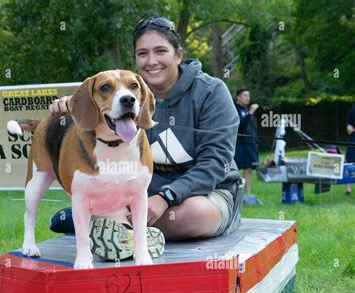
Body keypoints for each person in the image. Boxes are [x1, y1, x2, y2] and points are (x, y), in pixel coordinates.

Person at [49, 16, 243, 261]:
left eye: (160, 51)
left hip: (208, 193)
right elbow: (90, 123)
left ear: (178, 55)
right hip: (136, 196)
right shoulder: (122, 97)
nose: (151, 61)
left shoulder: (212, 92)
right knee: (109, 205)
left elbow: (215, 164)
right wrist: (72, 111)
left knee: (191, 215)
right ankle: (114, 227)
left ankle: (112, 229)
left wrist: (166, 197)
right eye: (143, 54)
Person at [233, 89, 259, 196]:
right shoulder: (234, 109)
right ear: (238, 97)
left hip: (250, 144)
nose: (247, 98)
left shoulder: (248, 110)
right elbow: (240, 125)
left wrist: (255, 141)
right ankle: (235, 193)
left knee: (248, 169)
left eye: (248, 95)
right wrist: (250, 113)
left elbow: (253, 128)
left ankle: (247, 194)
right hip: (239, 144)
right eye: (244, 95)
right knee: (236, 169)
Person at [345, 104, 355, 195]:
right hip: (353, 139)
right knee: (350, 161)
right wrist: (348, 125)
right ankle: (348, 189)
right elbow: (348, 117)